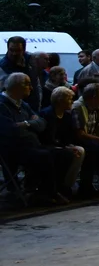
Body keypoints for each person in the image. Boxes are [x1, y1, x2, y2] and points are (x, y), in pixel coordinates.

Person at [0, 73, 73, 202]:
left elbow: (42, 123)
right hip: (12, 149)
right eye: (27, 84)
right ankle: (46, 193)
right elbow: (11, 130)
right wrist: (31, 124)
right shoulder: (2, 105)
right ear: (16, 87)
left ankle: (54, 189)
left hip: (32, 145)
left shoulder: (23, 104)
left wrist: (26, 124)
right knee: (44, 156)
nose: (31, 88)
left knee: (65, 154)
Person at [39, 86, 86, 198]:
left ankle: (67, 184)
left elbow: (68, 136)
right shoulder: (47, 114)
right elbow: (47, 137)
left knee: (80, 150)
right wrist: (65, 147)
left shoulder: (67, 116)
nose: (72, 101)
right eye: (69, 99)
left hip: (61, 144)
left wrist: (69, 145)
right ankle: (58, 187)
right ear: (60, 100)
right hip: (47, 145)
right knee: (66, 154)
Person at [0, 36, 44, 112]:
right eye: (11, 50)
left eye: (17, 50)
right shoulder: (3, 67)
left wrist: (38, 103)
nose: (14, 53)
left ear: (24, 50)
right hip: (14, 108)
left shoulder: (31, 61)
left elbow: (36, 83)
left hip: (33, 104)